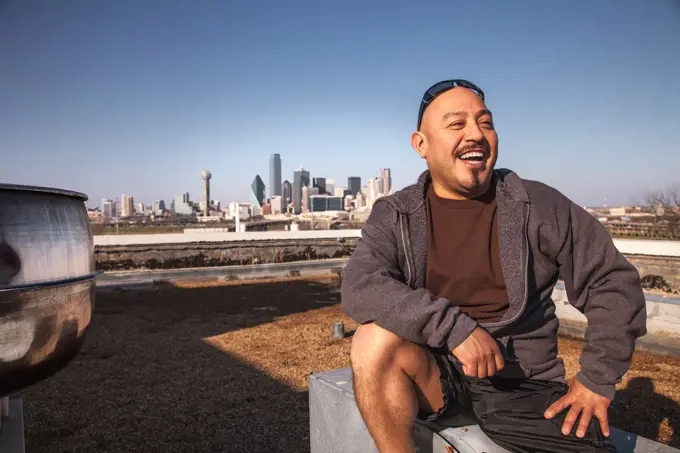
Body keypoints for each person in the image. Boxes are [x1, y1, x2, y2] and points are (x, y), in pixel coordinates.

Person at [340, 79, 647, 453]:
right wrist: (455, 329)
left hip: (521, 384)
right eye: (457, 124)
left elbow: (611, 282)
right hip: (436, 374)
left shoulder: (538, 205)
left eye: (485, 123)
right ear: (421, 144)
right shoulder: (397, 214)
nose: (476, 135)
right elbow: (361, 284)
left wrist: (597, 379)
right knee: (372, 341)